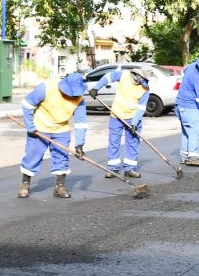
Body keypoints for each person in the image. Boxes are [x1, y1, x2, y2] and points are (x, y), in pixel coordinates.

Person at [18, 71, 88, 199]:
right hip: (39, 128)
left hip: (61, 129)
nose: (72, 95)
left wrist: (79, 144)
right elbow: (27, 104)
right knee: (32, 155)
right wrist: (30, 127)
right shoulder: (46, 88)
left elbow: (81, 123)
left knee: (62, 157)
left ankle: (59, 187)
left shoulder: (80, 98)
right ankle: (25, 184)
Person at [90, 66, 151, 178]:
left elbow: (142, 107)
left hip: (133, 118)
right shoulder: (123, 75)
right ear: (137, 75)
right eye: (143, 79)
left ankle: (130, 169)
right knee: (114, 142)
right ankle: (113, 169)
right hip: (116, 115)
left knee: (132, 143)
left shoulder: (145, 89)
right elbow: (108, 77)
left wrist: (135, 122)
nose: (145, 82)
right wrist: (96, 88)